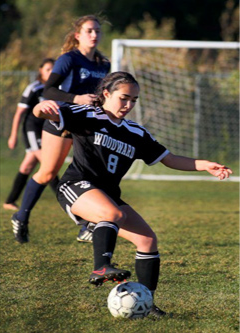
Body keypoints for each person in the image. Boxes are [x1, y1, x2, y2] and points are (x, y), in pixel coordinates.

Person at [32, 71, 232, 318]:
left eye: (134, 100)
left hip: (109, 196)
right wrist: (41, 107)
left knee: (147, 240)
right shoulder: (86, 115)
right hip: (76, 187)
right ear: (106, 94)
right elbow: (45, 113)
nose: (128, 105)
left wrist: (204, 165)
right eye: (124, 98)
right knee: (112, 213)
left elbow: (169, 159)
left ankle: (146, 305)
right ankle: (100, 267)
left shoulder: (136, 132)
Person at [11, 15, 110, 243]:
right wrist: (77, 98)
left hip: (87, 124)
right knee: (47, 173)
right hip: (61, 120)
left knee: (93, 173)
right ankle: (22, 216)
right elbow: (48, 91)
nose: (94, 35)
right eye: (89, 31)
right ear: (77, 35)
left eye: (97, 31)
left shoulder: (104, 65)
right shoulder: (69, 59)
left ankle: (87, 225)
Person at [4, 58, 59, 211]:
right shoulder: (34, 88)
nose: (50, 72)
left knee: (27, 167)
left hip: (46, 131)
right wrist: (13, 135)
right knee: (49, 165)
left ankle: (10, 201)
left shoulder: (54, 90)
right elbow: (19, 113)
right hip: (32, 131)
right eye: (47, 69)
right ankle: (67, 202)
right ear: (41, 70)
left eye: (53, 70)